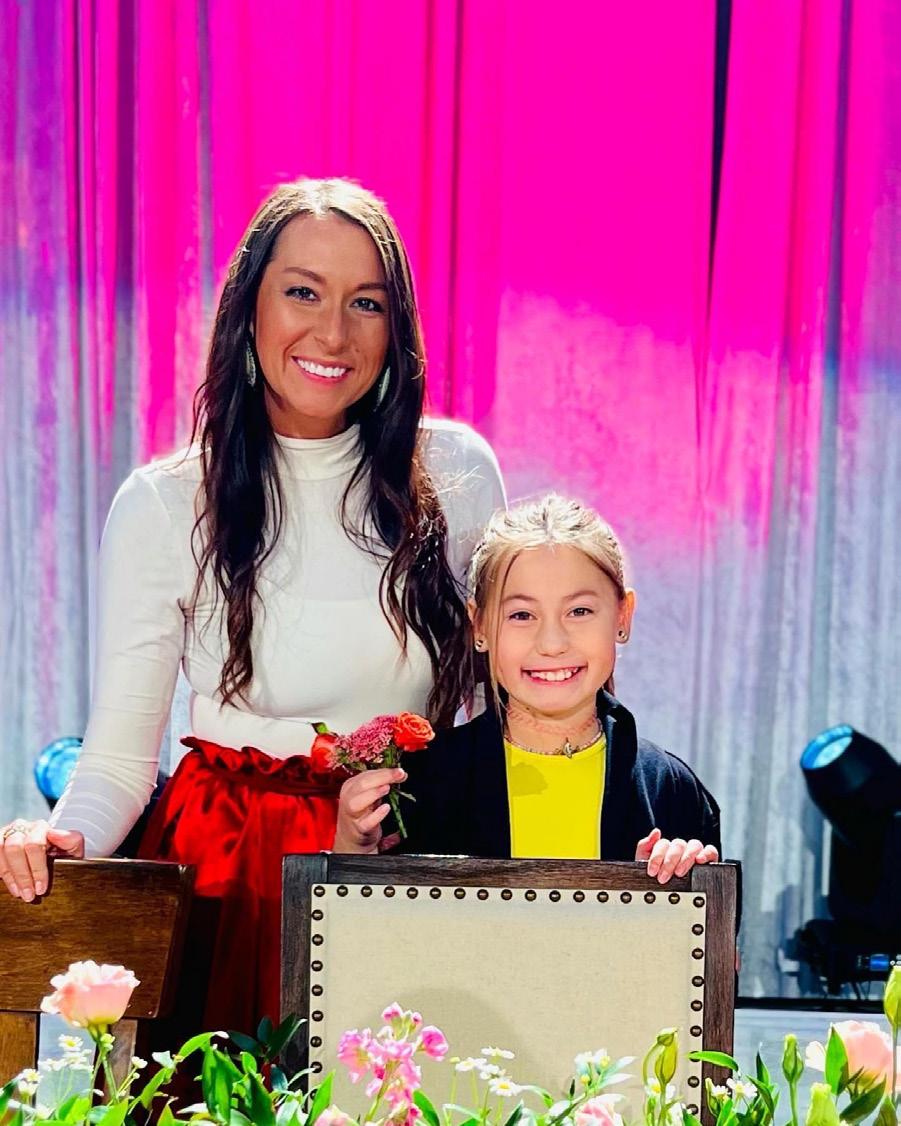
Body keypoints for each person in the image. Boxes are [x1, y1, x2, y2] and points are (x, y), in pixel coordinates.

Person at [0, 178, 505, 1029]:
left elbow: (501, 719)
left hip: (400, 856)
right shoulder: (165, 502)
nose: (333, 332)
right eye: (302, 292)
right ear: (249, 307)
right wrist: (57, 839)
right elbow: (120, 760)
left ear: (397, 327)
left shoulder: (456, 472)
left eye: (366, 303)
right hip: (224, 875)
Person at [334, 494, 720, 880]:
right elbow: (366, 915)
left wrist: (671, 887)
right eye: (521, 615)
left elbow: (706, 919)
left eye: (579, 611)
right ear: (479, 625)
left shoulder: (672, 791)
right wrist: (356, 850)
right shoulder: (420, 784)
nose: (551, 643)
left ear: (623, 616)